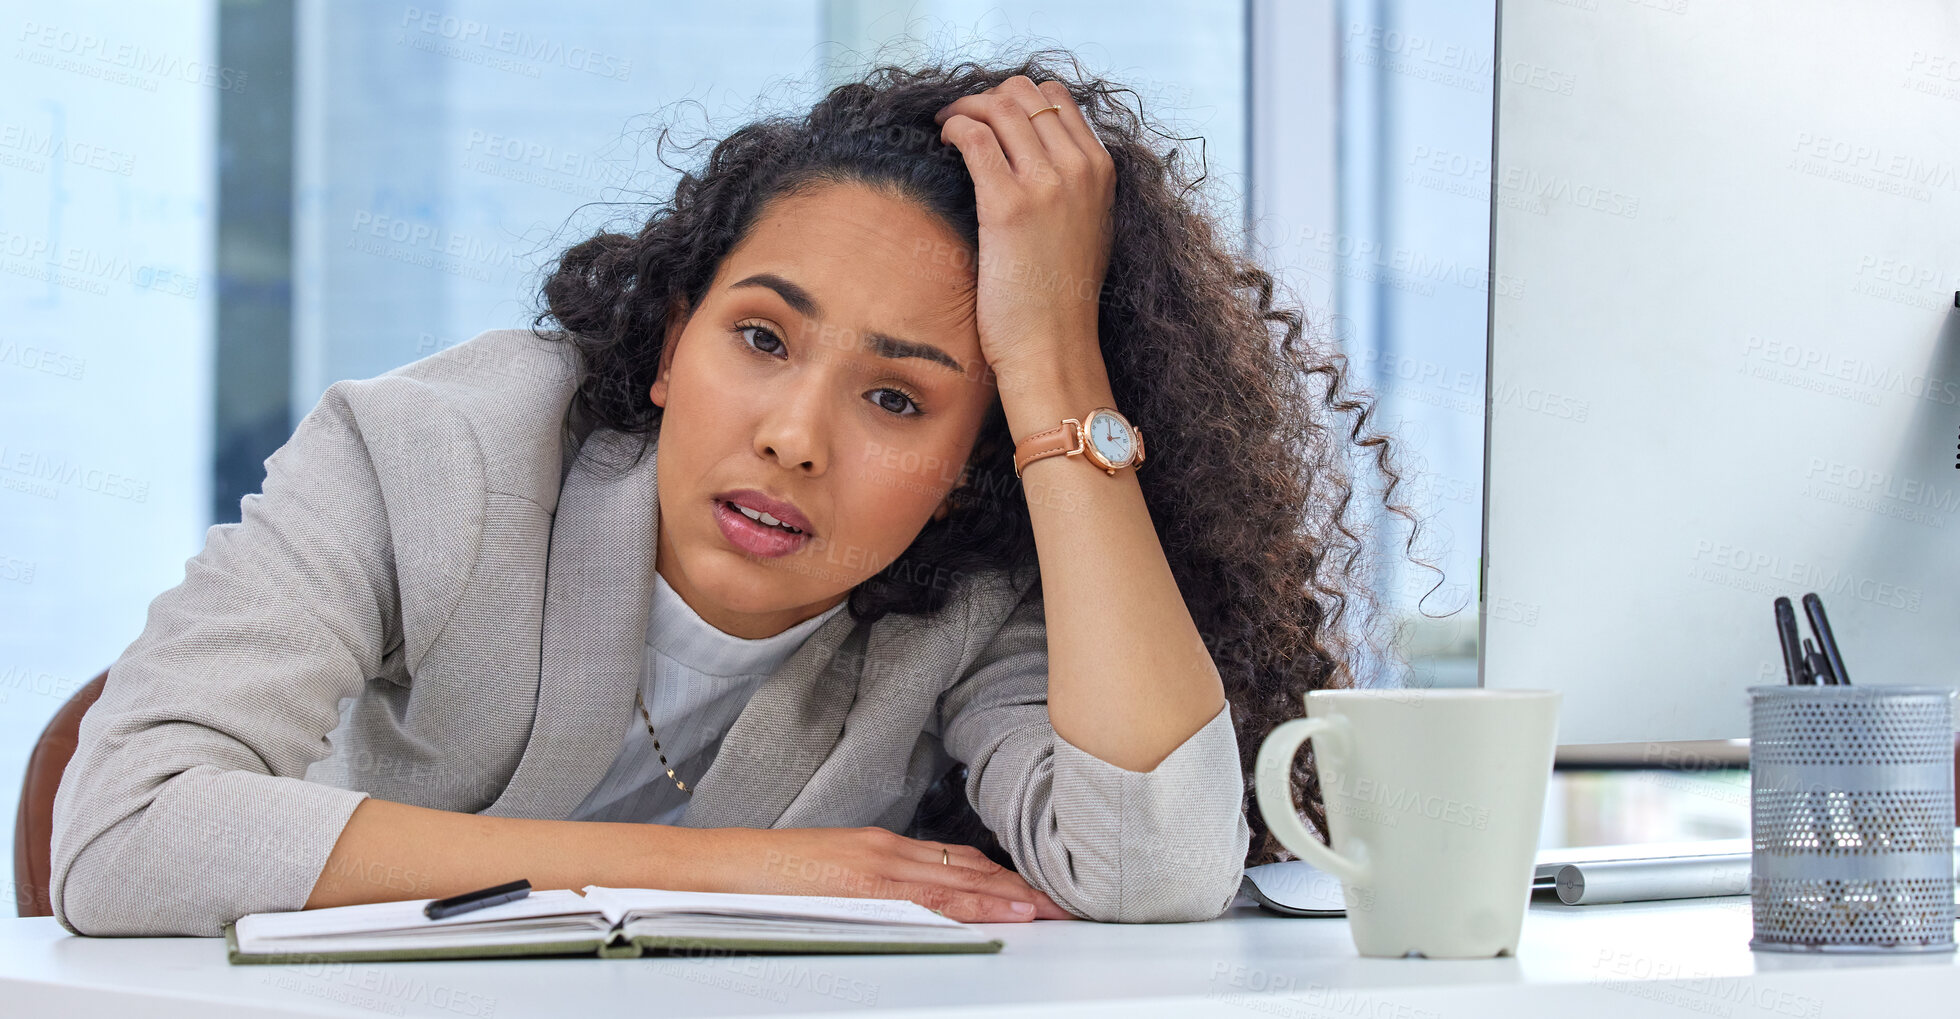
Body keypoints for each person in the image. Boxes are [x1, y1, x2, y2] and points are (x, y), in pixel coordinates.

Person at [48, 51, 1427, 938]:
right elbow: (119, 834)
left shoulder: (970, 604)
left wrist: (1055, 366)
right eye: (760, 339)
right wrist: (722, 867)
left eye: (899, 398)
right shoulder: (427, 454)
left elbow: (1154, 870)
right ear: (666, 345)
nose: (793, 437)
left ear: (972, 466)